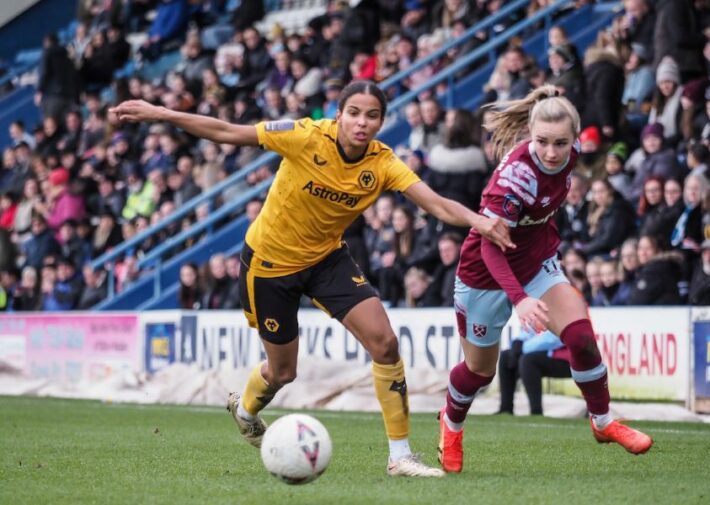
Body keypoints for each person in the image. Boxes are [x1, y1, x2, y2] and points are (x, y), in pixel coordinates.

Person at [110, 80, 512, 478]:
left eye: (372, 116)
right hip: (269, 265)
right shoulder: (303, 135)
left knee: (385, 343)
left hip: (326, 260)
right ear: (338, 115)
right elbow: (228, 132)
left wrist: (480, 221)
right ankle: (246, 409)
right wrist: (162, 114)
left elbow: (436, 203)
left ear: (381, 122)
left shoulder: (383, 163)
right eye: (353, 113)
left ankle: (401, 456)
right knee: (283, 372)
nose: (362, 122)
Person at [436, 85, 653, 475]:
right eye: (542, 143)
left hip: (536, 266)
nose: (552, 152)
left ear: (574, 138)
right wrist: (518, 300)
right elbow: (489, 247)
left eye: (560, 142)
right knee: (480, 373)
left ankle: (602, 423)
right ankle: (450, 425)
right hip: (484, 276)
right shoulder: (516, 178)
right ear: (530, 137)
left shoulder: (572, 155)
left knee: (582, 340)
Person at [497, 328, 571, 416]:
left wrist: (522, 348)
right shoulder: (540, 314)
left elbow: (554, 339)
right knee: (506, 356)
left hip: (569, 358)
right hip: (543, 352)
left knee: (528, 360)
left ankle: (536, 411)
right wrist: (517, 342)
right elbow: (530, 331)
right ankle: (505, 409)